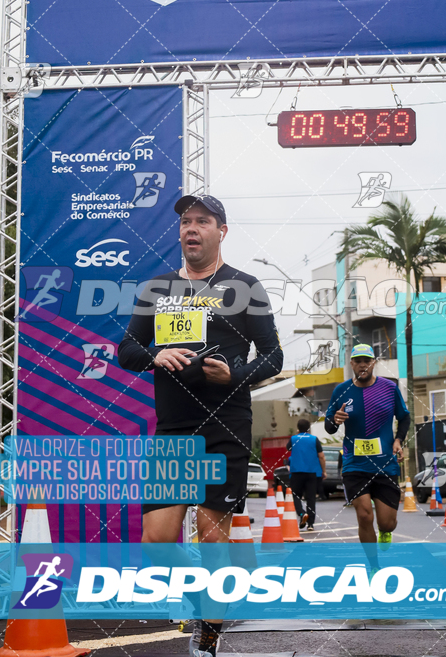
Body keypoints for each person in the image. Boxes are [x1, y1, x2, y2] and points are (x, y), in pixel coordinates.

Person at [118, 194, 283, 657]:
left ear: (221, 231)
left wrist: (236, 374)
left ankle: (207, 636)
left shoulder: (244, 287)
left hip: (224, 426)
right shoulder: (158, 288)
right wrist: (155, 354)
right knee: (156, 540)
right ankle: (206, 595)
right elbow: (126, 350)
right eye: (186, 222)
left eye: (202, 221)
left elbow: (274, 356)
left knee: (212, 535)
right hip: (174, 429)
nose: (191, 229)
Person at [324, 344, 410, 553]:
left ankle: (386, 531)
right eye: (358, 360)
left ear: (373, 363)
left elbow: (404, 417)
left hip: (384, 464)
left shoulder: (389, 388)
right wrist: (335, 420)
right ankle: (373, 567)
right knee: (364, 516)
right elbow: (329, 426)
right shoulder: (341, 390)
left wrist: (398, 440)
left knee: (387, 522)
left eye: (367, 360)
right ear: (352, 363)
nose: (363, 364)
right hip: (355, 464)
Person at [286, 418, 326, 532]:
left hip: (296, 472)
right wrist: (324, 471)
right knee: (311, 498)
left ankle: (301, 513)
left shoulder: (294, 439)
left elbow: (288, 448)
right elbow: (321, 456)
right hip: (311, 472)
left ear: (298, 428)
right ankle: (310, 524)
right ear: (309, 428)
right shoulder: (314, 439)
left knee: (296, 495)